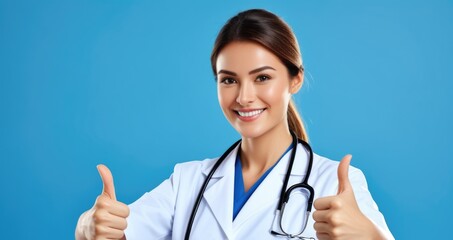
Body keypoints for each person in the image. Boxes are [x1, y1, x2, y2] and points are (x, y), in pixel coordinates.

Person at [75, 9, 394, 240]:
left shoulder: (334, 184)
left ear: (295, 79)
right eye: (229, 80)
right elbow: (115, 232)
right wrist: (88, 227)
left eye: (263, 78)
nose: (244, 96)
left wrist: (370, 237)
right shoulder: (187, 183)